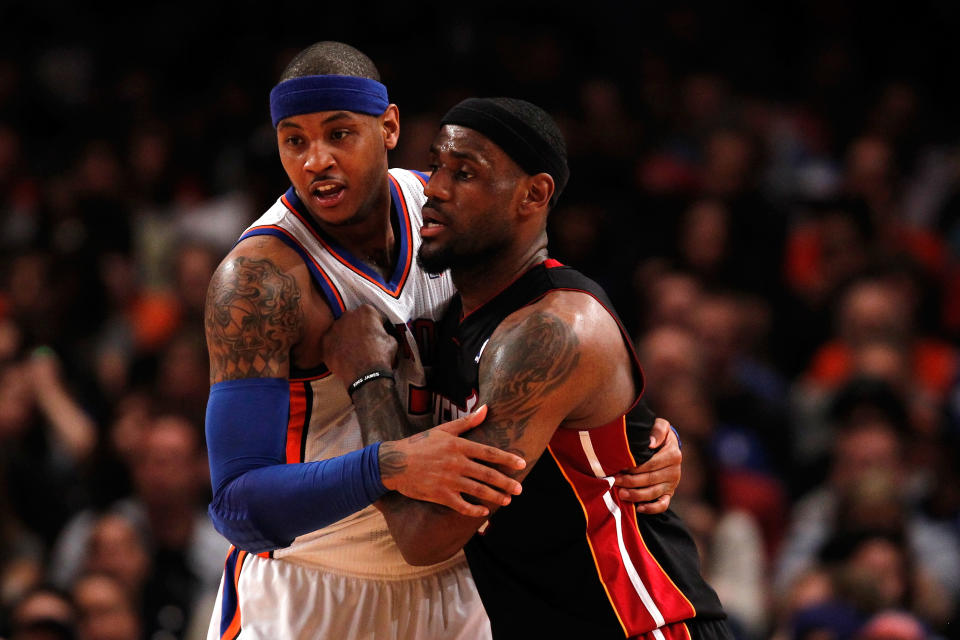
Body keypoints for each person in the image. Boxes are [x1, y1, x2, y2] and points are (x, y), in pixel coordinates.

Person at [202, 42, 682, 640]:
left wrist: (635, 435)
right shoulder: (259, 281)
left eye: (339, 134)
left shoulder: (444, 208)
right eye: (294, 140)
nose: (315, 160)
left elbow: (557, 320)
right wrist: (387, 467)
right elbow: (237, 507)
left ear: (390, 127)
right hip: (313, 589)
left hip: (460, 586)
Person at [322, 97, 730, 639]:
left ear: (533, 195)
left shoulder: (552, 329)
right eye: (436, 166)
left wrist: (368, 379)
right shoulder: (450, 319)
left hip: (641, 625)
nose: (434, 188)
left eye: (464, 173)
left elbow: (426, 537)